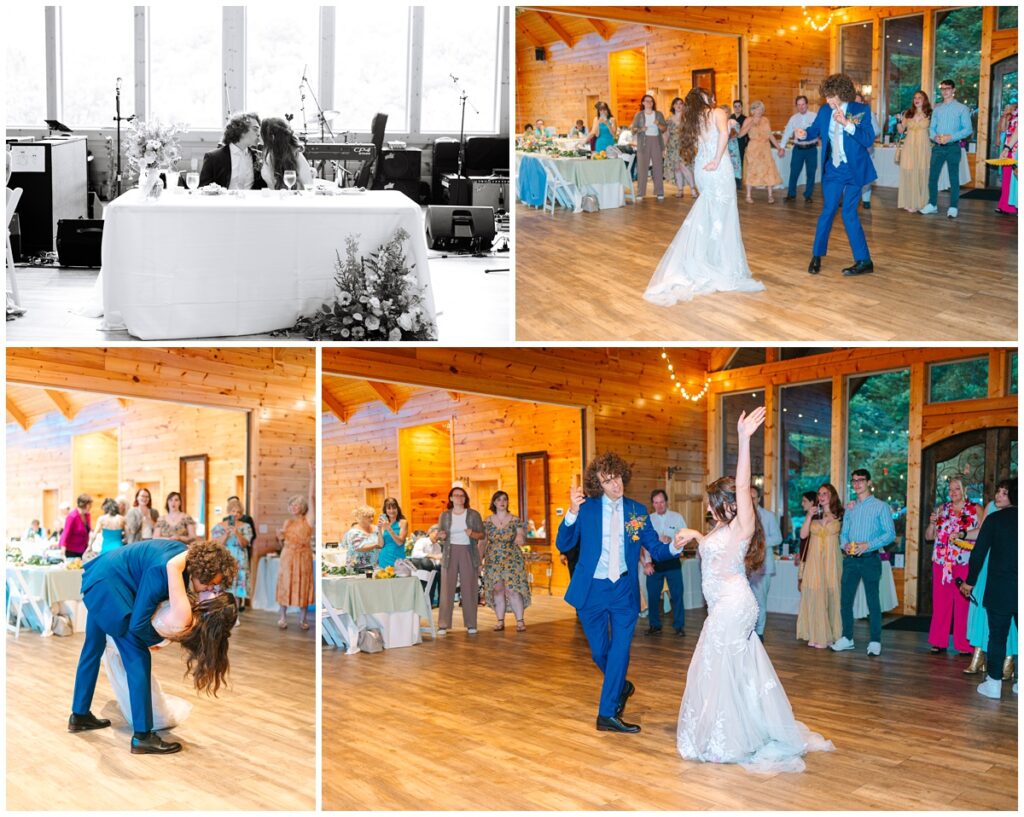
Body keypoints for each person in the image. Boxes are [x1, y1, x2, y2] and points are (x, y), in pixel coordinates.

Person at [676, 407, 833, 770]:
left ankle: (728, 740)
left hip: (733, 605)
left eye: (712, 505)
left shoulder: (743, 524)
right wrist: (697, 535)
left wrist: (745, 439)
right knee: (731, 668)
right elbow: (715, 554)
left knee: (720, 667)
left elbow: (744, 486)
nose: (709, 510)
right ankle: (742, 729)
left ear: (728, 504)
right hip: (722, 605)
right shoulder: (719, 529)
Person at [556, 453, 689, 733]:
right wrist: (571, 512)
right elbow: (563, 542)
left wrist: (675, 547)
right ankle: (620, 685)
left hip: (622, 591)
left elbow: (654, 547)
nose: (615, 485)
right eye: (607, 481)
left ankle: (606, 714)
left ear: (622, 475)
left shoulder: (637, 512)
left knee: (620, 650)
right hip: (591, 589)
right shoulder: (587, 509)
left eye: (616, 477)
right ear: (598, 484)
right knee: (599, 653)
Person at [69, 539, 238, 754]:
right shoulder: (163, 572)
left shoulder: (185, 562)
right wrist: (155, 642)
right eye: (210, 584)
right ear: (200, 573)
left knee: (92, 648)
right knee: (137, 656)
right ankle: (142, 736)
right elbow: (138, 624)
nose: (211, 589)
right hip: (109, 585)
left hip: (104, 578)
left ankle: (80, 715)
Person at [643, 87, 765, 305]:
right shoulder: (718, 112)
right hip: (717, 168)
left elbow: (711, 136)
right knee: (724, 215)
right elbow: (723, 136)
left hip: (702, 170)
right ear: (705, 99)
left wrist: (726, 127)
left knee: (708, 214)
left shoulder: (693, 121)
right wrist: (718, 158)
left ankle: (704, 259)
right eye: (709, 95)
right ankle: (720, 263)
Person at [795, 74, 877, 277]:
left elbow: (868, 139)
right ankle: (816, 255)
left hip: (854, 170)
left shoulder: (861, 110)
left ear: (841, 93)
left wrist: (847, 124)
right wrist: (805, 133)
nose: (828, 100)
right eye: (826, 96)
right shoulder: (824, 111)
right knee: (828, 211)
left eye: (831, 96)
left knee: (849, 214)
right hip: (833, 170)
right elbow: (814, 131)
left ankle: (864, 260)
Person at [962, 480, 1017, 699]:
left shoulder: (994, 519)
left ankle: (993, 683)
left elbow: (978, 553)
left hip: (1000, 588)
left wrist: (969, 581)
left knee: (997, 636)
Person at [831, 468, 895, 656]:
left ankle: (875, 641)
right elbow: (843, 533)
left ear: (869, 482)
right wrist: (844, 545)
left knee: (873, 601)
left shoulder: (880, 506)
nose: (857, 483)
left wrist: (868, 545)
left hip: (870, 559)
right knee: (845, 601)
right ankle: (847, 638)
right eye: (854, 480)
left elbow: (890, 534)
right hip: (850, 560)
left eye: (861, 480)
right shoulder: (850, 508)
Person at [924, 476, 981, 655]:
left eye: (956, 488)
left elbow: (983, 533)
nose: (952, 492)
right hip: (942, 563)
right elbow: (928, 537)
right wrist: (932, 524)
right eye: (950, 489)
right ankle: (938, 641)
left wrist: (964, 535)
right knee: (941, 602)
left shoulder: (976, 509)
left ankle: (964, 644)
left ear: (964, 489)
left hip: (964, 561)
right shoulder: (942, 509)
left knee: (963, 602)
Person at [917, 79, 973, 219]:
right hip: (938, 147)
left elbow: (968, 130)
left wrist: (951, 137)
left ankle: (953, 207)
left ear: (953, 90)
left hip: (953, 147)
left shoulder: (962, 108)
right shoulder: (937, 108)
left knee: (953, 177)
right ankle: (932, 205)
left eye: (948, 88)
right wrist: (934, 137)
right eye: (942, 89)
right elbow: (931, 128)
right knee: (933, 177)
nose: (945, 91)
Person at [796, 484, 843, 648]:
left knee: (831, 596)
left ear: (832, 495)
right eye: (819, 493)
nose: (821, 496)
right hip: (814, 560)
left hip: (831, 560)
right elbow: (803, 535)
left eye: (825, 493)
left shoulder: (841, 514)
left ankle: (831, 635)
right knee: (815, 595)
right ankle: (815, 633)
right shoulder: (814, 515)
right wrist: (809, 516)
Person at [436, 486, 485, 636]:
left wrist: (472, 533)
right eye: (456, 495)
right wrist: (440, 536)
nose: (459, 498)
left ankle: (471, 624)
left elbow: (482, 535)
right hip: (449, 553)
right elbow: (439, 534)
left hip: (468, 552)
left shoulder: (473, 515)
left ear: (465, 499)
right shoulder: (444, 516)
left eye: (462, 496)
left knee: (469, 588)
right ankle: (443, 625)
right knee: (446, 589)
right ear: (451, 498)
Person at [481, 491, 531, 632]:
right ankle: (500, 621)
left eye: (504, 499)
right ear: (494, 503)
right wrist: (479, 560)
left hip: (512, 558)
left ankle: (520, 621)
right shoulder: (487, 521)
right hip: (493, 558)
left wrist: (520, 538)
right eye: (498, 500)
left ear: (507, 502)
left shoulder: (515, 520)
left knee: (513, 589)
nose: (502, 502)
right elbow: (482, 542)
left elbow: (521, 536)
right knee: (497, 590)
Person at [643, 489, 687, 636]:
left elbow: (685, 537)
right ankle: (654, 625)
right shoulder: (648, 519)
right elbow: (644, 544)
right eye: (656, 503)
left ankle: (679, 626)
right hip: (655, 563)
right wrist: (647, 563)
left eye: (661, 502)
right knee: (653, 595)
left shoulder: (677, 517)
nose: (659, 505)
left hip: (672, 562)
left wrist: (672, 540)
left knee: (677, 594)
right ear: (652, 504)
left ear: (666, 502)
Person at [276, 488, 314, 631]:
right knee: (285, 583)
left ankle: (302, 619)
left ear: (302, 507)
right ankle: (282, 617)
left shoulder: (308, 521)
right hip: (287, 555)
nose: (293, 507)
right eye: (291, 505)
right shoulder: (287, 522)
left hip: (303, 556)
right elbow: (282, 542)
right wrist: (279, 538)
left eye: (296, 504)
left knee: (303, 585)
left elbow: (312, 497)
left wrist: (313, 475)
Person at [198, 112, 266, 190]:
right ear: (242, 130)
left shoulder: (259, 157)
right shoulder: (213, 158)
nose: (259, 134)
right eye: (255, 129)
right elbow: (203, 189)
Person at [748, 486, 781, 641]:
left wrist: (759, 542)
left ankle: (759, 633)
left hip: (763, 566)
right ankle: (746, 630)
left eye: (753, 497)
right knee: (745, 600)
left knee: (760, 601)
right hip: (744, 566)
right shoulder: (742, 516)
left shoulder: (768, 516)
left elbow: (778, 538)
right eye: (748, 497)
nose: (751, 500)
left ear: (759, 499)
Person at [895, 89, 933, 212]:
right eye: (915, 98)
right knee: (909, 172)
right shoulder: (908, 113)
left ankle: (921, 202)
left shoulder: (930, 113)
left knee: (922, 173)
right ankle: (909, 201)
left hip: (923, 146)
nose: (916, 100)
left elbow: (934, 130)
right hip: (909, 146)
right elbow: (901, 130)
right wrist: (898, 121)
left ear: (924, 100)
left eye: (919, 98)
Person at [739, 101, 783, 203]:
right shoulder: (748, 120)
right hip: (753, 148)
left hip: (765, 147)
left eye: (761, 109)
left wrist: (778, 147)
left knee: (769, 169)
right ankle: (748, 196)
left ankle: (770, 195)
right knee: (751, 170)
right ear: (752, 110)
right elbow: (740, 135)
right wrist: (750, 123)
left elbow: (770, 135)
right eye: (757, 109)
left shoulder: (765, 120)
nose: (759, 111)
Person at [211, 510, 252, 614]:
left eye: (237, 512)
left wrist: (237, 532)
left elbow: (244, 544)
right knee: (222, 586)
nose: (234, 514)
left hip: (239, 560)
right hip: (224, 558)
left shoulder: (246, 526)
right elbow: (216, 544)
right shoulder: (219, 526)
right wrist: (226, 534)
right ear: (228, 512)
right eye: (232, 511)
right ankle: (221, 613)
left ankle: (235, 615)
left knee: (237, 589)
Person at [780, 95, 819, 203]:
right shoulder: (793, 118)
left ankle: (808, 195)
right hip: (798, 150)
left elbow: (819, 131)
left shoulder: (815, 116)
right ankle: (791, 194)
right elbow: (787, 132)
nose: (801, 107)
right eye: (799, 105)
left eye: (803, 104)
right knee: (794, 172)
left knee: (811, 173)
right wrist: (782, 147)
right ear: (796, 106)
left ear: (807, 105)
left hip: (811, 149)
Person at [630, 95, 668, 200]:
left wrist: (658, 124)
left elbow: (664, 128)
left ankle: (659, 192)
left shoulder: (658, 114)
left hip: (656, 141)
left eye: (651, 101)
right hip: (643, 142)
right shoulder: (639, 115)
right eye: (647, 101)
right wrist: (641, 129)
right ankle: (640, 193)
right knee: (642, 168)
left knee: (658, 167)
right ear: (643, 103)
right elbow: (633, 130)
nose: (649, 103)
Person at [260, 117, 315, 190]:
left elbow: (308, 184)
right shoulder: (269, 154)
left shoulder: (295, 154)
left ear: (272, 136)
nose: (259, 134)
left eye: (261, 132)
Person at [664, 97, 697, 198]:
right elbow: (666, 134)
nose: (678, 106)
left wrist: (694, 144)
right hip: (672, 146)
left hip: (685, 145)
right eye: (676, 104)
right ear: (673, 106)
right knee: (677, 168)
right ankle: (680, 190)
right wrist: (664, 148)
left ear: (683, 106)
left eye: (681, 104)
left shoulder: (687, 118)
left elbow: (693, 132)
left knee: (684, 166)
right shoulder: (669, 119)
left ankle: (693, 189)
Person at [853, 94, 881, 209]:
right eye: (855, 102)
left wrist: (865, 134)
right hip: (852, 149)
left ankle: (866, 200)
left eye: (860, 102)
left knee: (865, 174)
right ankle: (849, 199)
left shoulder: (868, 113)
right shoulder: (848, 114)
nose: (857, 104)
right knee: (851, 175)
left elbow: (877, 130)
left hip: (866, 149)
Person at [995, 105, 1018, 216]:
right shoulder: (1012, 112)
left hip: (1016, 149)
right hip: (1008, 146)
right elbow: (1003, 129)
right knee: (1007, 178)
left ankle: (1013, 206)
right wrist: (1005, 115)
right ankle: (1004, 205)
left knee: (1015, 180)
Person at [343, 506, 381, 570]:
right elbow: (358, 547)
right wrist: (375, 545)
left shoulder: (376, 529)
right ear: (361, 518)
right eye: (369, 517)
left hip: (375, 566)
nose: (372, 519)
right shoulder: (354, 532)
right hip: (358, 567)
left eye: (372, 516)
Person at [377, 497, 408, 569]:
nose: (391, 511)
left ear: (397, 509)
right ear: (385, 510)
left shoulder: (403, 522)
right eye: (389, 508)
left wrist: (389, 528)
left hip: (398, 559)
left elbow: (400, 542)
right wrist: (379, 528)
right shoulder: (384, 524)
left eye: (394, 508)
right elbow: (381, 545)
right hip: (384, 559)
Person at [59, 494, 92, 559]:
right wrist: (62, 550)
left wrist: (89, 545)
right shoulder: (72, 516)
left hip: (83, 549)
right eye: (89, 504)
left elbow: (87, 531)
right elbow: (66, 532)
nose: (91, 506)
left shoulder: (87, 515)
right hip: (72, 550)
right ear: (84, 504)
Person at [730, 100, 748, 176]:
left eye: (739, 106)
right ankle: (732, 178)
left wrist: (747, 145)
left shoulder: (745, 119)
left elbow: (748, 133)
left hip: (741, 142)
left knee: (740, 160)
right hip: (731, 143)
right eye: (735, 106)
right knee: (731, 160)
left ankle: (739, 180)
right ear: (733, 107)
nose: (737, 108)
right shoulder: (730, 117)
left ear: (742, 107)